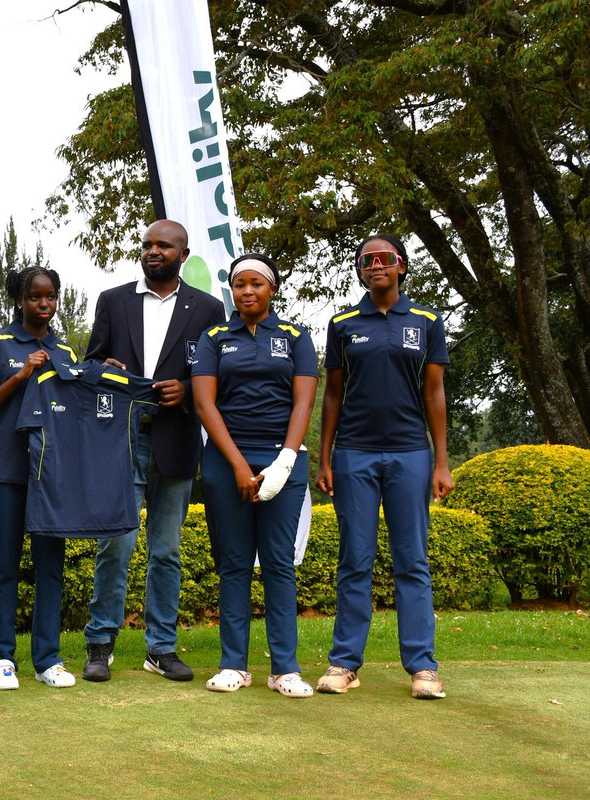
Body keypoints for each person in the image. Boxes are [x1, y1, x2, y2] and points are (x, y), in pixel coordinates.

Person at [81, 219, 226, 682]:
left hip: (178, 440)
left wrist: (185, 389)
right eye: (146, 244)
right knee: (115, 546)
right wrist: (103, 366)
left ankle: (161, 648)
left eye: (163, 245)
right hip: (122, 441)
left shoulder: (207, 309)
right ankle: (100, 644)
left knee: (166, 551)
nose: (152, 251)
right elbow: (89, 364)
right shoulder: (113, 300)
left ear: (183, 255)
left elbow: (214, 374)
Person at [315, 234, 453, 700]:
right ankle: (344, 664)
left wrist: (441, 462)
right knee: (354, 559)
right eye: (367, 260)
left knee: (411, 560)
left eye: (385, 259)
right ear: (359, 270)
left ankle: (423, 667)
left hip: (411, 452)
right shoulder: (342, 323)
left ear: (401, 267)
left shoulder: (427, 321)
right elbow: (332, 393)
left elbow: (435, 393)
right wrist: (325, 457)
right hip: (354, 453)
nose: (376, 266)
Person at [192, 253, 317, 698]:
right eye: (239, 284)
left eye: (256, 284)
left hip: (283, 460)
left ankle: (284, 668)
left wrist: (283, 461)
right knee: (235, 564)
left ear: (272, 289)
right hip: (228, 463)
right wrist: (240, 467)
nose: (247, 291)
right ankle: (233, 665)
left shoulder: (296, 337)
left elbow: (303, 403)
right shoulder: (213, 338)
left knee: (280, 564)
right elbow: (205, 405)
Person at [0, 266, 79, 690]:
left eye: (50, 297)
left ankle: (48, 659)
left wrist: (98, 370)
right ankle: (1, 660)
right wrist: (20, 375)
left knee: (51, 568)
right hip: (3, 472)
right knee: (4, 568)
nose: (44, 305)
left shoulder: (64, 352)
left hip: (51, 477)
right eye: (36, 297)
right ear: (21, 299)